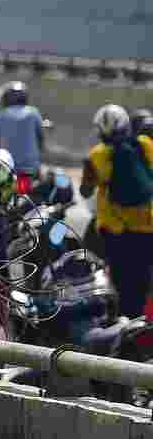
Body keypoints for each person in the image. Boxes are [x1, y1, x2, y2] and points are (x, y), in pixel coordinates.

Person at [81, 103, 153, 320]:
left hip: (116, 231)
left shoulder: (96, 156)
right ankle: (143, 319)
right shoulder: (145, 144)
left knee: (120, 281)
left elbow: (85, 191)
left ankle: (124, 324)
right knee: (143, 279)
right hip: (147, 227)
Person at [0, 81, 46, 183]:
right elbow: (40, 138)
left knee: (2, 195)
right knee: (24, 193)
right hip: (29, 168)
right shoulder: (33, 113)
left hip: (4, 168)